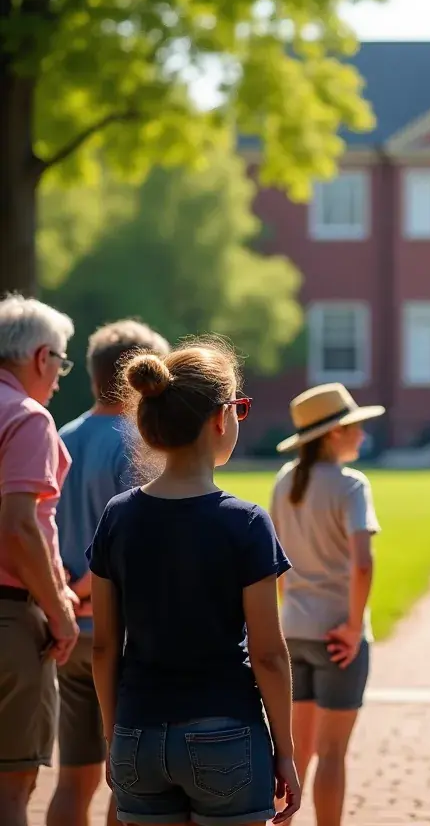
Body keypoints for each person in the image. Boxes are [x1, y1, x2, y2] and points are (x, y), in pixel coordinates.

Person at [87, 341, 300, 826]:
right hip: (226, 733)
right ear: (220, 419)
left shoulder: (118, 518)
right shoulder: (245, 523)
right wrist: (285, 752)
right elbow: (268, 654)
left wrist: (112, 737)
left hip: (137, 731)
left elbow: (103, 648)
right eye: (239, 406)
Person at [48, 319, 170, 826]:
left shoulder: (61, 434)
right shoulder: (136, 443)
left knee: (72, 781)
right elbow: (137, 543)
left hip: (67, 629)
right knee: (129, 782)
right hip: (119, 634)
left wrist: (64, 591)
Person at [270, 383, 384, 826]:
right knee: (333, 754)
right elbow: (362, 565)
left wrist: (289, 612)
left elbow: (276, 563)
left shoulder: (284, 482)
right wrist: (354, 627)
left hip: (294, 631)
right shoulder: (351, 485)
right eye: (354, 426)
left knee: (295, 756)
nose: (361, 434)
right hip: (339, 637)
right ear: (334, 433)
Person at [0, 295, 78, 826]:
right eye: (60, 363)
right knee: (11, 787)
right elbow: (20, 526)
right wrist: (59, 610)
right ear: (41, 356)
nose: (58, 377)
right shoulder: (28, 418)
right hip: (9, 615)